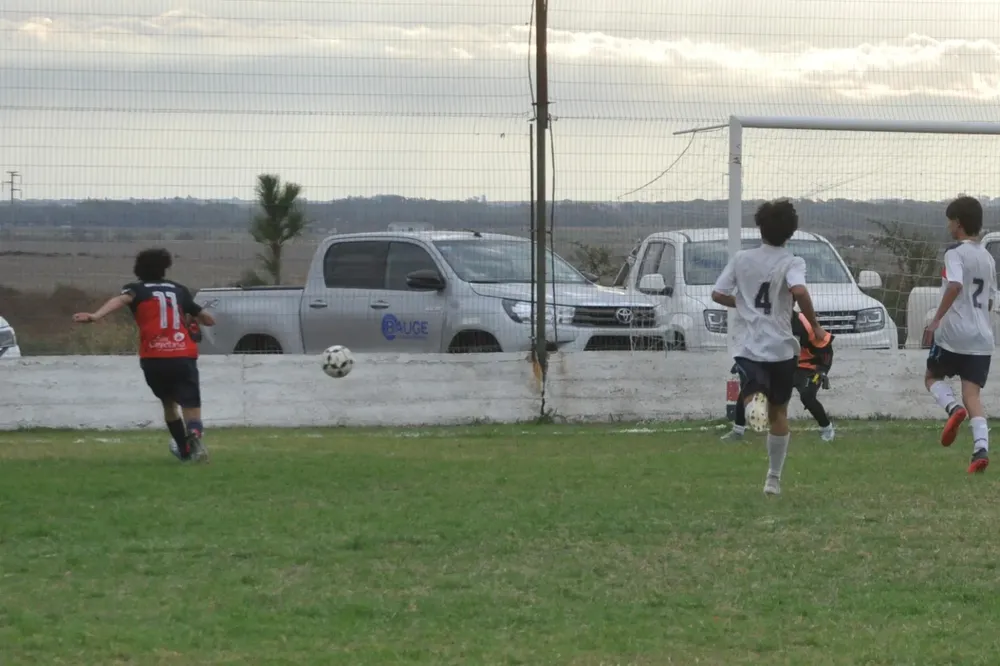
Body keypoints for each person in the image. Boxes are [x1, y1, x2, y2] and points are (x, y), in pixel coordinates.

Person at [711, 199, 827, 496]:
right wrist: (814, 325)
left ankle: (752, 408)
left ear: (760, 227)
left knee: (752, 392)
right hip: (782, 348)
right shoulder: (792, 262)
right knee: (780, 413)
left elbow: (717, 293)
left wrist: (743, 303)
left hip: (750, 344)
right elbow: (799, 290)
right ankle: (773, 479)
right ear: (790, 232)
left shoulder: (742, 259)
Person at [73, 248, 215, 463]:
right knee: (190, 403)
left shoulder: (135, 289)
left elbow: (121, 300)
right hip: (182, 354)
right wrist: (198, 320)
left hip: (154, 356)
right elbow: (207, 319)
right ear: (164, 268)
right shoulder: (178, 289)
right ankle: (194, 433)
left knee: (168, 403)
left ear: (139, 268)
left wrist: (96, 315)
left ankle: (185, 451)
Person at [924, 195, 997, 474]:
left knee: (932, 377)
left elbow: (954, 285)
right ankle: (980, 449)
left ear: (958, 223)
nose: (948, 226)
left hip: (954, 334)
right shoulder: (988, 258)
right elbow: (989, 300)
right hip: (982, 338)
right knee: (973, 396)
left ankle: (953, 409)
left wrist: (936, 320)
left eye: (949, 221)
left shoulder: (954, 253)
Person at [721, 309, 835, 442]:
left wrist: (822, 370)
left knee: (807, 396)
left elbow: (826, 347)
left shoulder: (804, 322)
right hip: (780, 364)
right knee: (749, 386)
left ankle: (827, 429)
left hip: (806, 367)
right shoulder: (765, 321)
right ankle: (737, 431)